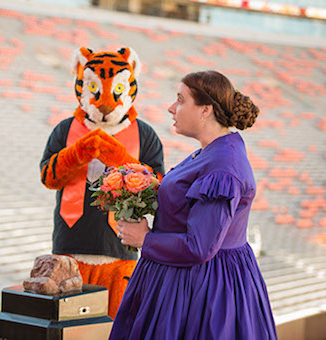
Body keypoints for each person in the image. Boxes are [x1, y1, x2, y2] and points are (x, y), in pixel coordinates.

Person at [110, 70, 277, 339]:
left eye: (180, 99)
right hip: (187, 280)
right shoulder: (213, 151)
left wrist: (145, 239)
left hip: (201, 290)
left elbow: (199, 247)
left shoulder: (223, 165)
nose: (171, 107)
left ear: (205, 110)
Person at [40, 47, 164, 318]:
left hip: (121, 252)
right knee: (69, 329)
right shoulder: (65, 129)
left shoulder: (146, 134)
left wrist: (118, 157)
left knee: (118, 327)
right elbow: (47, 177)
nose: (105, 102)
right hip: (69, 250)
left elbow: (159, 189)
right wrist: (78, 152)